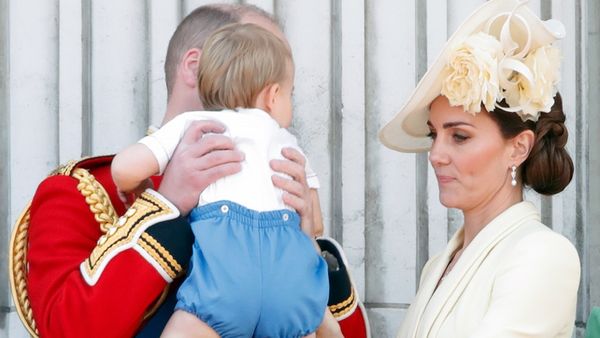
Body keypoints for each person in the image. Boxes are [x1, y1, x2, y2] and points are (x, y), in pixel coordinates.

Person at [20, 4, 368, 338]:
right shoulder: (85, 192)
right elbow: (68, 330)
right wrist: (164, 206)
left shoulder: (279, 176)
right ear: (195, 66)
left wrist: (306, 245)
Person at [112, 23, 329, 337]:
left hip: (225, 279)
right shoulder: (289, 145)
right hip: (290, 281)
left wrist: (134, 186)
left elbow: (123, 168)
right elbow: (315, 223)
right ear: (273, 95)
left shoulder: (197, 125)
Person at [378, 0, 580, 336]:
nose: (435, 155)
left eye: (458, 136)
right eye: (434, 134)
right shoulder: (437, 266)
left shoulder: (542, 255)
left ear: (518, 148)